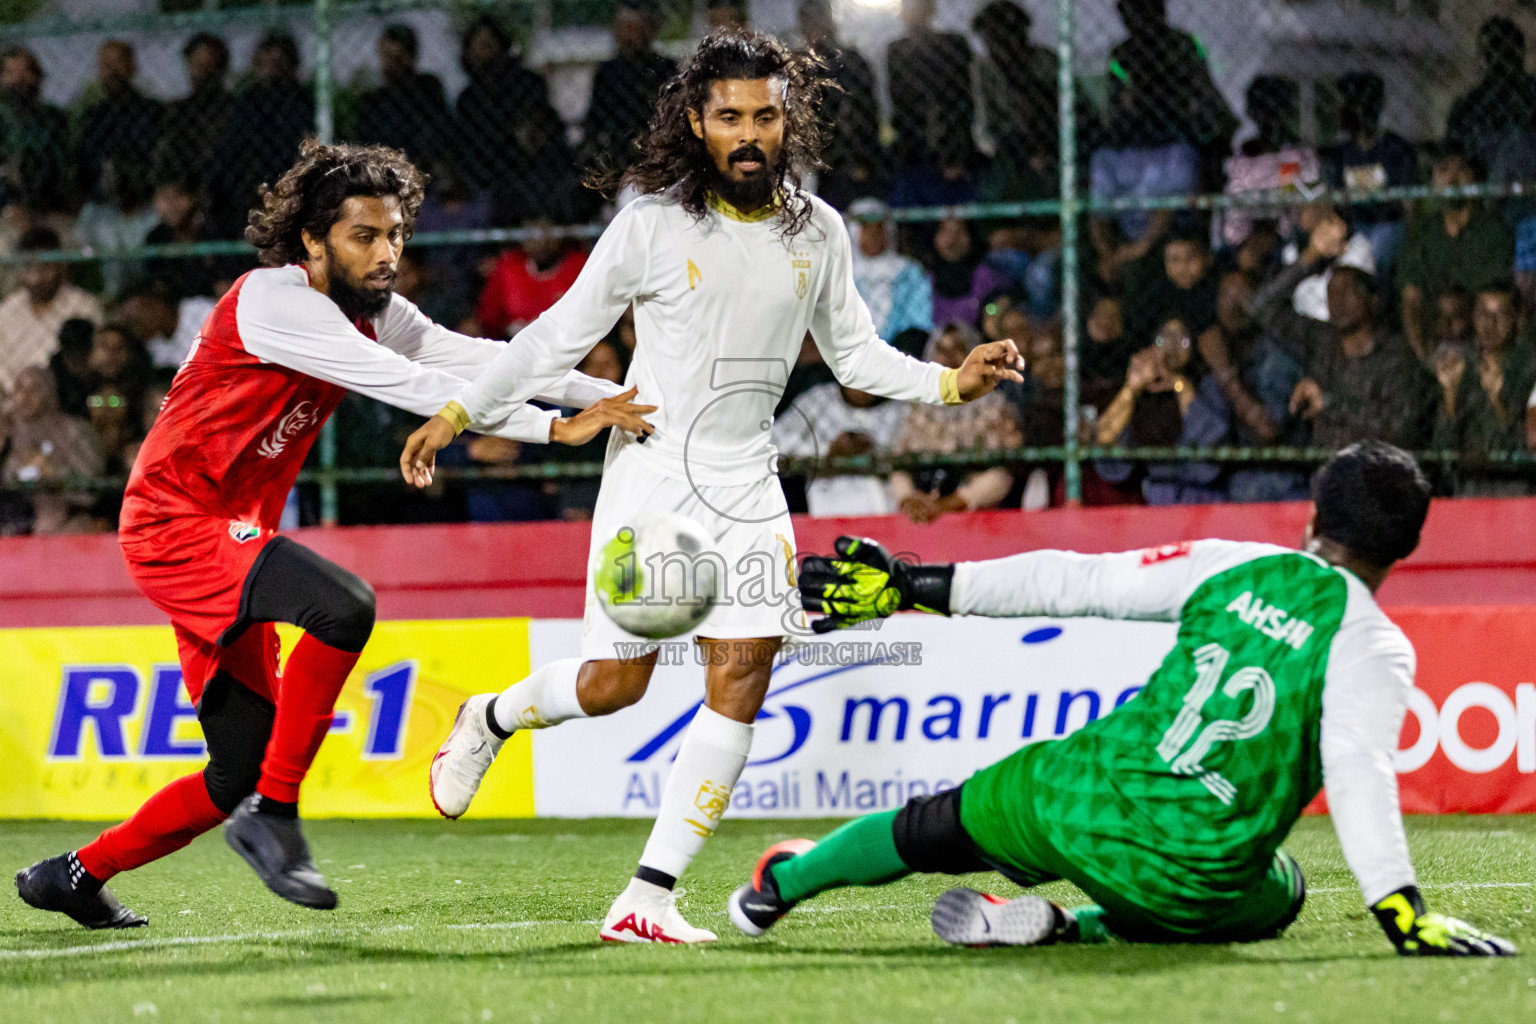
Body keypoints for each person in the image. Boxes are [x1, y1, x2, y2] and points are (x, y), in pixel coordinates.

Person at [406, 31, 1024, 946]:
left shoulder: (820, 230)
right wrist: (462, 414)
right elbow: (553, 339)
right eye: (728, 116)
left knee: (743, 676)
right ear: (696, 122)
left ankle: (647, 898)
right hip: (653, 478)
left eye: (765, 116)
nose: (747, 134)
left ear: (789, 122)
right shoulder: (652, 225)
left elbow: (853, 352)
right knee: (616, 684)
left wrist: (948, 383)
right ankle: (490, 715)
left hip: (750, 482)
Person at [12, 139, 648, 930]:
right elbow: (415, 386)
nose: (388, 254)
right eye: (364, 237)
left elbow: (482, 357)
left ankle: (73, 876)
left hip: (230, 532)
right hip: (175, 525)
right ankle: (276, 814)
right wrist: (555, 429)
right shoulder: (273, 301)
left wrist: (627, 395)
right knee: (343, 608)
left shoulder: (375, 308)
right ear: (313, 240)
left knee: (230, 770)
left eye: (395, 236)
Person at [735, 442, 1518, 961]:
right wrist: (1401, 912)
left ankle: (778, 888)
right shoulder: (1374, 643)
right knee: (1280, 890)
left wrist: (913, 585)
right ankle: (1077, 929)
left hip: (1075, 797)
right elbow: (1357, 767)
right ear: (1407, 546)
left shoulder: (1230, 565)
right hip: (1192, 877)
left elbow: (1075, 581)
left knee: (928, 828)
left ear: (1313, 514)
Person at [1260, 214, 1436, 451]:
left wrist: (1330, 404)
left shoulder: (1398, 355)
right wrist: (1310, 256)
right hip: (1328, 474)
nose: (1338, 300)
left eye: (1347, 291)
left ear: (1373, 300)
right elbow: (1263, 307)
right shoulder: (1322, 339)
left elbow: (1401, 431)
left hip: (1379, 477)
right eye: (1331, 293)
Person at [890, 321, 1021, 522]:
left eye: (959, 349)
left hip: (970, 487)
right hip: (923, 485)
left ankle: (945, 507)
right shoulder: (914, 405)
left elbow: (1009, 460)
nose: (948, 358)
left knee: (999, 479)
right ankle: (918, 507)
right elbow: (899, 461)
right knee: (897, 479)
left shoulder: (993, 404)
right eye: (941, 350)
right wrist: (911, 496)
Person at [1399, 144, 1515, 363]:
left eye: (1460, 170)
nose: (1452, 180)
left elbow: (1492, 303)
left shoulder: (1493, 231)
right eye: (1443, 170)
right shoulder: (1422, 234)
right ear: (1433, 180)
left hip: (1477, 338)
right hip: (1435, 338)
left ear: (1473, 177)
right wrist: (1423, 355)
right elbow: (1411, 301)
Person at [1432, 284, 1536, 496]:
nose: (1490, 324)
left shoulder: (1529, 369)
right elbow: (1442, 453)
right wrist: (1449, 397)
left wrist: (1498, 401)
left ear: (1516, 319)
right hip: (1468, 489)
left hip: (1515, 492)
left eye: (1500, 315)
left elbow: (1524, 453)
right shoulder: (1460, 365)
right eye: (1483, 314)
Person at [206, 33, 313, 238]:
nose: (272, 69)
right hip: (249, 179)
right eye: (267, 63)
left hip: (289, 176)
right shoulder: (247, 102)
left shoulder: (303, 101)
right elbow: (234, 146)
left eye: (279, 62)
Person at [1322, 72, 1416, 283]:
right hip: (1355, 225)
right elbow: (1336, 205)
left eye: (1363, 103)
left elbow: (1408, 207)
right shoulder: (1340, 155)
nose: (1356, 111)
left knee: (1376, 252)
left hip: (1387, 224)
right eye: (1352, 104)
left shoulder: (1397, 149)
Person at [796, 0, 882, 210]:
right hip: (818, 162)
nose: (814, 30)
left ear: (830, 23)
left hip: (853, 158)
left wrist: (861, 158)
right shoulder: (801, 66)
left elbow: (867, 115)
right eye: (809, 24)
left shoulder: (851, 61)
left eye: (818, 23)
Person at [0, 227, 104, 395]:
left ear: (60, 266)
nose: (38, 278)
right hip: (15, 398)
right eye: (30, 268)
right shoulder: (7, 309)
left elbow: (91, 361)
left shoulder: (83, 306)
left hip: (68, 397)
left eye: (46, 267)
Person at [1, 365, 103, 535]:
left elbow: (91, 490)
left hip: (71, 523)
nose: (25, 396)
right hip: (22, 525)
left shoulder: (73, 430)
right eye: (20, 388)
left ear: (48, 391)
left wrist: (54, 471)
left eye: (34, 389)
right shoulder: (10, 432)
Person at [582, 2, 679, 178]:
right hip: (616, 147)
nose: (629, 36)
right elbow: (594, 120)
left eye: (635, 29)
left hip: (656, 146)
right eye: (624, 28)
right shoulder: (607, 72)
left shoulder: (664, 69)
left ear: (649, 31)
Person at [73, 40, 161, 215]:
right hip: (102, 205)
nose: (113, 71)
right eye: (106, 65)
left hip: (145, 204)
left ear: (132, 67)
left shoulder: (152, 112)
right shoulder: (93, 117)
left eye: (118, 62)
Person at [886, 0, 973, 172]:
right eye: (909, 9)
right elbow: (898, 101)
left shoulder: (953, 44)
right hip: (913, 139)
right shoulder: (896, 50)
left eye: (918, 9)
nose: (913, 15)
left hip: (952, 130)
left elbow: (963, 96)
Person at [1447, 17, 1536, 176]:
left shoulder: (1531, 94)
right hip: (1487, 186)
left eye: (1506, 50)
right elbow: (1454, 152)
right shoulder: (1470, 106)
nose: (1499, 57)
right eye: (1494, 48)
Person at [353, 24, 449, 167]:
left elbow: (435, 136)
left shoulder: (427, 88)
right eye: (387, 57)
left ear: (411, 57)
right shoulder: (374, 101)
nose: (391, 65)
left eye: (398, 58)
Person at [475, 220, 588, 338]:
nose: (542, 242)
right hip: (511, 340)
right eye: (535, 233)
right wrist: (507, 327)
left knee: (601, 355)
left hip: (564, 340)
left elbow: (586, 315)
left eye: (547, 233)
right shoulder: (509, 267)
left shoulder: (577, 266)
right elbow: (489, 315)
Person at [152, 33, 231, 191]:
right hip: (185, 187)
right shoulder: (177, 110)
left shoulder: (235, 108)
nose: (202, 68)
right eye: (197, 62)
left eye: (208, 63)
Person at [847, 198, 932, 342]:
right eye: (867, 229)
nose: (874, 236)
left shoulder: (910, 272)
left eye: (879, 228)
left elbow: (920, 322)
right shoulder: (841, 275)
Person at [0, 45, 71, 213]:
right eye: (11, 74)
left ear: (37, 76)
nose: (20, 80)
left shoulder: (53, 117)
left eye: (25, 72)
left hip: (49, 198)